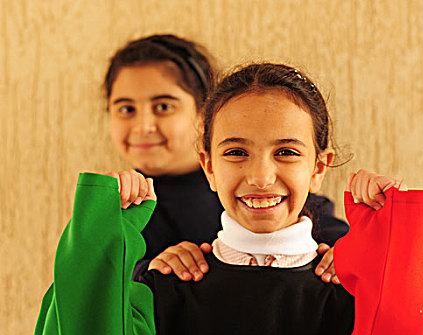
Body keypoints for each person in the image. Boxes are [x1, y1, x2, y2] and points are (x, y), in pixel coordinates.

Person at [33, 63, 423, 335]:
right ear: (208, 166)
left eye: (285, 151)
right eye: (235, 152)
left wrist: (388, 247)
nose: (261, 176)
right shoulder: (163, 288)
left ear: (319, 167)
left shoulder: (355, 298)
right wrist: (102, 240)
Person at [104, 34, 349, 284]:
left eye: (164, 107)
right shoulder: (121, 208)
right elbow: (95, 292)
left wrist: (346, 256)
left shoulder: (277, 196)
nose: (143, 126)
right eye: (126, 109)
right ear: (209, 165)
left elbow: (348, 249)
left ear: (204, 113)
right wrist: (149, 274)